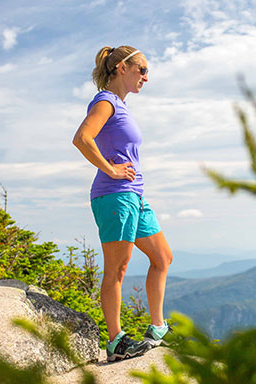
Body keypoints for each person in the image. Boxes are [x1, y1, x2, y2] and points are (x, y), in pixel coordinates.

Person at [73, 45, 173, 362]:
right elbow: (82, 138)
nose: (146, 76)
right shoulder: (105, 102)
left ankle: (158, 328)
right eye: (142, 69)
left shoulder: (121, 105)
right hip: (114, 195)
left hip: (134, 195)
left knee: (163, 258)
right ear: (122, 68)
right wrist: (111, 168)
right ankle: (116, 342)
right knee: (117, 270)